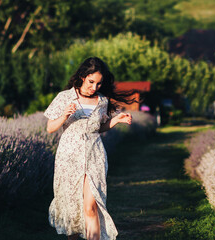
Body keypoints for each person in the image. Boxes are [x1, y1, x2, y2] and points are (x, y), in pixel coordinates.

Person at [44, 57, 137, 240]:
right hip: (69, 156)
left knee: (91, 206)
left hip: (94, 155)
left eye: (98, 84)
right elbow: (50, 128)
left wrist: (115, 120)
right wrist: (64, 115)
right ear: (82, 76)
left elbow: (98, 128)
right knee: (72, 207)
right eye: (91, 82)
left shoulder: (102, 100)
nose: (94, 87)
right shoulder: (64, 97)